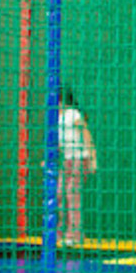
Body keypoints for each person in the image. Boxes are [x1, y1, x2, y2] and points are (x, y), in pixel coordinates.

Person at [57, 88, 97, 246]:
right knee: (58, 191)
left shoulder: (73, 114)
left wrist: (93, 158)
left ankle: (75, 234)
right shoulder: (57, 118)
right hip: (67, 159)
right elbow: (60, 141)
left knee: (72, 194)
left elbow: (86, 133)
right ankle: (58, 231)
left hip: (80, 158)